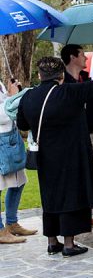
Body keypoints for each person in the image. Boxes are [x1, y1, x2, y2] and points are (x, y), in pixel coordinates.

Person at [17, 48, 93, 257]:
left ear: (40, 75)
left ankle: (52, 241)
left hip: (45, 156)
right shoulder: (68, 92)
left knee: (50, 196)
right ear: (60, 75)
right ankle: (69, 243)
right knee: (71, 196)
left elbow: (22, 123)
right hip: (71, 155)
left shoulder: (29, 96)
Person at [61, 44, 93, 228]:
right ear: (73, 57)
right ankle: (77, 217)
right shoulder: (65, 83)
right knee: (76, 178)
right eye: (82, 55)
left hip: (90, 133)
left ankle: (89, 213)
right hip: (73, 140)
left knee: (92, 175)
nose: (86, 58)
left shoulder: (82, 79)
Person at [0, 80, 37, 243]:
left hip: (11, 139)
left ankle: (12, 222)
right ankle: (1, 231)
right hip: (2, 141)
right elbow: (3, 115)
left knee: (19, 182)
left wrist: (10, 95)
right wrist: (13, 96)